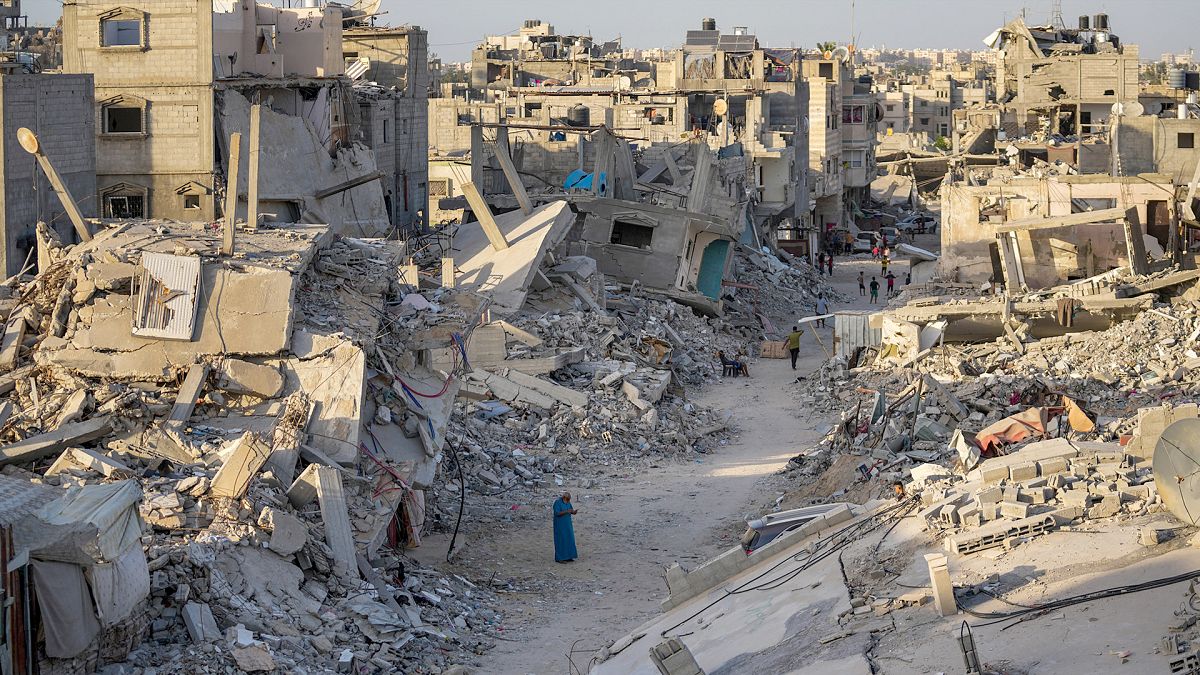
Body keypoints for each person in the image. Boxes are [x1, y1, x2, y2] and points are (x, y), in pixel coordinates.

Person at [553, 492, 578, 563]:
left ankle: (569, 556)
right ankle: (560, 558)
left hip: (568, 524)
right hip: (560, 525)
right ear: (564, 498)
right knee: (561, 540)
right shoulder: (557, 503)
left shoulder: (568, 503)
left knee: (569, 539)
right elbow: (557, 513)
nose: (568, 501)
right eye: (567, 499)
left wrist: (573, 512)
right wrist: (567, 511)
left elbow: (571, 510)